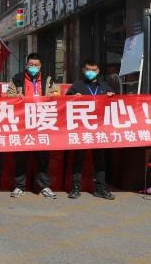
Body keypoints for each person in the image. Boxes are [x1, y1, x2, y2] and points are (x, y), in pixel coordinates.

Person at [7, 53, 58, 199]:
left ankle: (44, 186)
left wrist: (52, 96)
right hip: (23, 122)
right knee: (21, 156)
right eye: (31, 65)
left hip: (42, 122)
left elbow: (56, 94)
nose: (33, 67)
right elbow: (8, 95)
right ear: (26, 65)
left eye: (36, 65)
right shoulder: (17, 79)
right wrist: (16, 97)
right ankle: (19, 186)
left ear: (40, 66)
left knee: (43, 156)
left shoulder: (48, 79)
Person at [65, 59, 115, 200]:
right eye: (88, 69)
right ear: (83, 70)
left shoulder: (104, 86)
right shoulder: (77, 85)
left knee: (100, 161)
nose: (91, 72)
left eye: (93, 70)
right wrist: (73, 98)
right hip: (82, 129)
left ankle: (100, 189)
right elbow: (65, 103)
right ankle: (75, 188)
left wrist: (111, 97)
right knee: (78, 159)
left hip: (99, 130)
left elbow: (116, 102)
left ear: (98, 71)